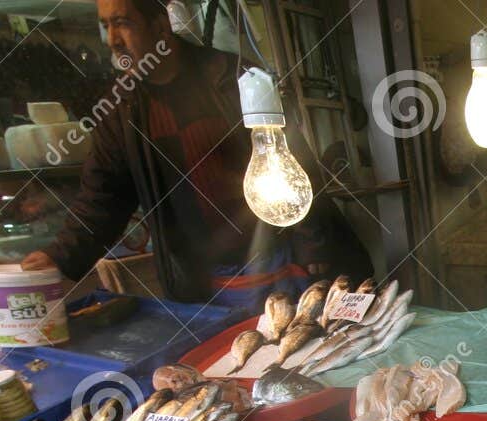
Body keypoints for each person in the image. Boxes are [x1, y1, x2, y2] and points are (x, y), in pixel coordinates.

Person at [21, 0, 369, 309]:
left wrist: (316, 245)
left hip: (276, 259)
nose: (112, 38)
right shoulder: (120, 110)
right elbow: (102, 199)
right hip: (203, 279)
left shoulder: (233, 79)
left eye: (123, 22)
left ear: (159, 25)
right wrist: (60, 256)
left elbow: (297, 167)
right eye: (105, 25)